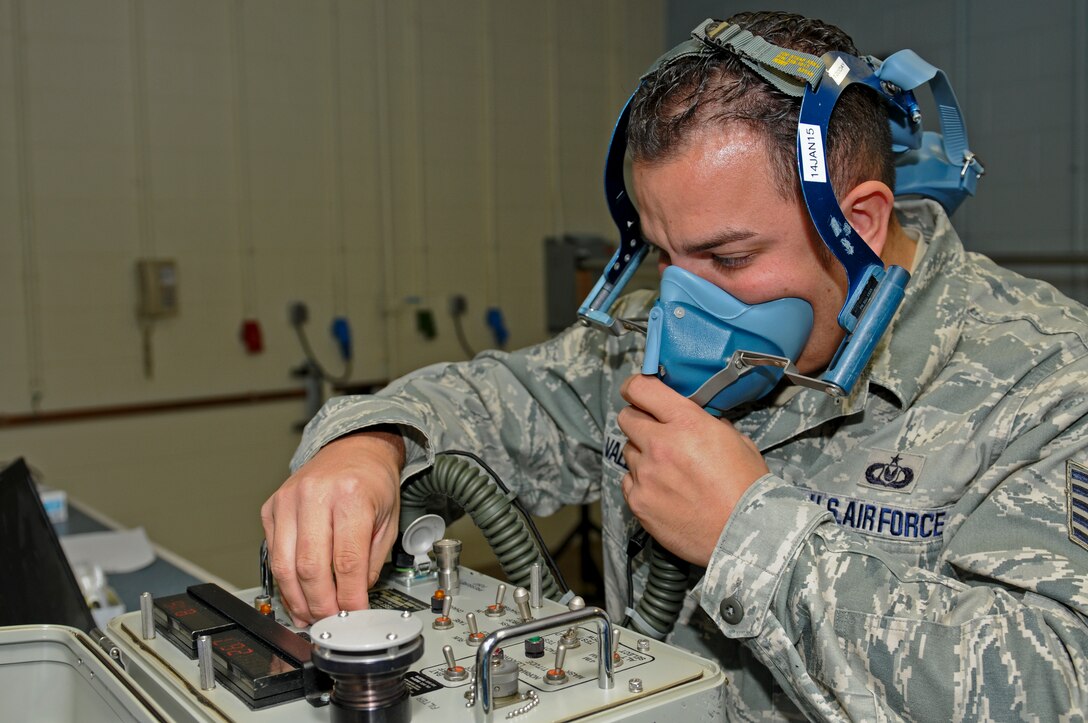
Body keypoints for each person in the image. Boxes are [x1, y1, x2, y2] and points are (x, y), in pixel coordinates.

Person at [262, 10, 1088, 719]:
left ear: (860, 224)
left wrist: (751, 536)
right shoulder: (640, 338)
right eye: (663, 255)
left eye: (728, 257)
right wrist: (373, 445)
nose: (681, 311)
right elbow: (497, 400)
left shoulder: (1046, 378)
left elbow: (1058, 686)